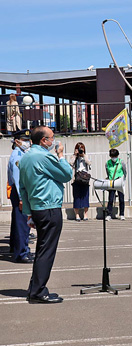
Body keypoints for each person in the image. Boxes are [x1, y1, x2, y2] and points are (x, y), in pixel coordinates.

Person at [19, 126, 73, 303]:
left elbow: (23, 188)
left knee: (42, 249)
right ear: (43, 140)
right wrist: (61, 156)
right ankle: (38, 291)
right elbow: (66, 174)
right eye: (51, 137)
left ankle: (34, 287)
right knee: (46, 251)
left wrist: (28, 213)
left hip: (37, 208)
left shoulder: (26, 157)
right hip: (49, 207)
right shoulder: (44, 155)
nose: (53, 141)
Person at [8, 129, 33, 263]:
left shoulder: (20, 153)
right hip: (20, 193)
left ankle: (18, 248)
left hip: (20, 193)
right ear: (17, 142)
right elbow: (18, 180)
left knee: (19, 223)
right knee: (22, 224)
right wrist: (22, 198)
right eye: (24, 140)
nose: (27, 143)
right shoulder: (17, 157)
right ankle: (21, 253)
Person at [69, 142, 91, 221]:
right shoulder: (73, 156)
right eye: (79, 149)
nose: (80, 151)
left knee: (85, 196)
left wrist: (84, 156)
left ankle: (85, 214)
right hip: (76, 179)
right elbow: (70, 164)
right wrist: (75, 155)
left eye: (82, 149)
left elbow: (89, 163)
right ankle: (77, 215)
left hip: (85, 178)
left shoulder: (86, 156)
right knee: (77, 196)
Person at [105, 149, 127, 221]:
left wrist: (123, 180)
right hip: (112, 182)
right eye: (112, 156)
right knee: (110, 199)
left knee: (121, 199)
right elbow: (108, 172)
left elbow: (125, 172)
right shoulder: (107, 163)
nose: (113, 158)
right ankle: (109, 214)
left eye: (115, 156)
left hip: (119, 182)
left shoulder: (121, 162)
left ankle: (122, 214)